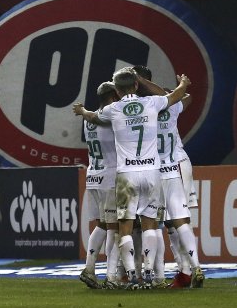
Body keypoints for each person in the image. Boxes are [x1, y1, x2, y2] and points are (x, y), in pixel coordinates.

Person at [79, 67, 191, 289]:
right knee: (151, 226)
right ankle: (150, 272)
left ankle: (129, 274)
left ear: (118, 91)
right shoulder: (151, 103)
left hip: (125, 176)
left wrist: (83, 111)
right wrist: (183, 84)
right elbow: (175, 98)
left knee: (124, 228)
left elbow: (94, 117)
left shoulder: (113, 109)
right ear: (137, 86)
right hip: (151, 172)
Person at [133, 66, 204, 289]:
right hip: (175, 165)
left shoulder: (138, 110)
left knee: (155, 224)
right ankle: (190, 268)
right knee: (178, 220)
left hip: (153, 169)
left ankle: (161, 273)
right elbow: (188, 98)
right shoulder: (168, 104)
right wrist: (180, 86)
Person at [73, 81, 121, 289]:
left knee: (102, 224)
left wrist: (83, 110)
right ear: (112, 97)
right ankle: (112, 276)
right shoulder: (109, 116)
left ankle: (90, 268)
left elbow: (90, 115)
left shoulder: (88, 119)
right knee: (115, 227)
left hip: (93, 175)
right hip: (110, 175)